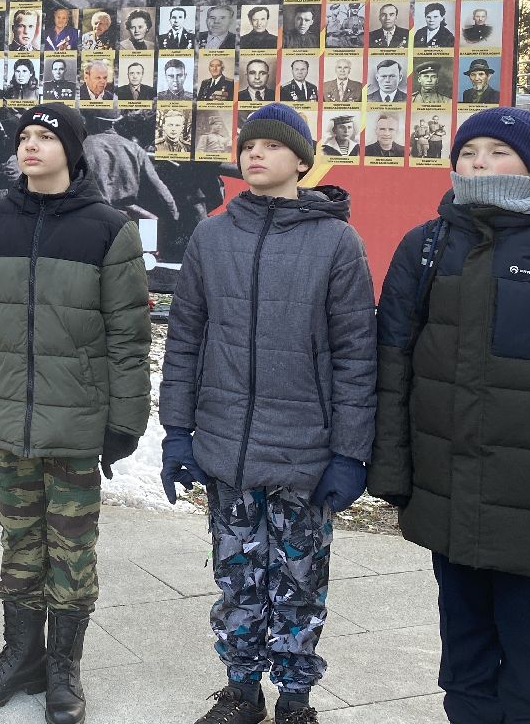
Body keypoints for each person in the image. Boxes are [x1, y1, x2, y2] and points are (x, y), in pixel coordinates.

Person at [369, 107, 530, 724]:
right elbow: (393, 365)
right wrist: (392, 473)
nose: (479, 163)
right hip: (447, 488)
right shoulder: (424, 248)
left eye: (498, 152)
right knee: (464, 646)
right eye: (469, 151)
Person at [160, 102, 376, 724]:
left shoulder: (336, 241)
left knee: (300, 584)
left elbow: (356, 356)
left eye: (272, 146)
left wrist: (349, 452)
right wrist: (178, 432)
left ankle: (296, 701)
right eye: (248, 145)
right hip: (228, 451)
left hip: (305, 455)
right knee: (236, 580)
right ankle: (241, 692)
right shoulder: (213, 234)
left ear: (303, 163)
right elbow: (185, 341)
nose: (255, 154)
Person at [0, 102, 149, 722]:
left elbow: (127, 333)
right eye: (25, 138)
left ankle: (63, 664)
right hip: (8, 415)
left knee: (70, 547)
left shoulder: (107, 228)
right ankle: (20, 654)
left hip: (76, 419)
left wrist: (125, 420)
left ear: (72, 148)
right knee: (19, 543)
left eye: (45, 137)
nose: (31, 147)